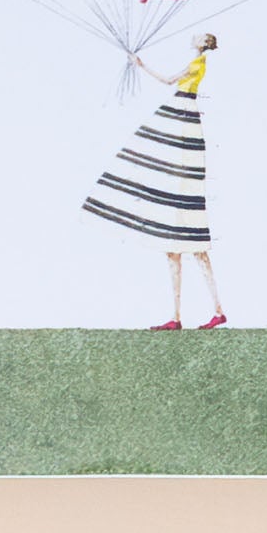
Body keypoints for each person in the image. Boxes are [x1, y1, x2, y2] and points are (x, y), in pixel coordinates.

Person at [81, 33, 226, 329]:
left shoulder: (196, 63)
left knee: (189, 248)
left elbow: (168, 80)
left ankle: (207, 311)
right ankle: (179, 316)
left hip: (182, 119)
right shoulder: (198, 63)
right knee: (176, 249)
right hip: (181, 120)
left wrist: (141, 64)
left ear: (202, 44)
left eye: (198, 37)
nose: (193, 37)